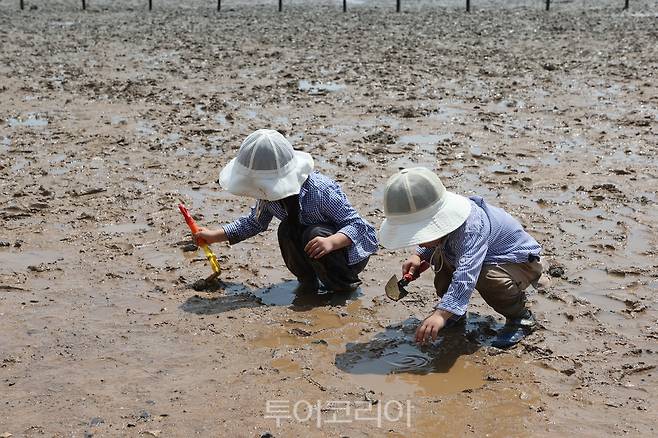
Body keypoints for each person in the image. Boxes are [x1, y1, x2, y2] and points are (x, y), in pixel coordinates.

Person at [378, 167, 546, 348]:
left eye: (419, 234)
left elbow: (466, 276)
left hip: (517, 262)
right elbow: (438, 240)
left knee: (485, 276)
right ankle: (455, 313)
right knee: (439, 255)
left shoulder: (471, 229)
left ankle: (520, 318)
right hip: (476, 257)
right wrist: (419, 255)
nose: (418, 240)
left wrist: (440, 314)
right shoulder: (446, 227)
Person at [194, 129, 377, 293]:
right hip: (312, 251)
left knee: (314, 233)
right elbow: (254, 222)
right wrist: (213, 236)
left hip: (346, 256)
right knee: (286, 229)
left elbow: (360, 226)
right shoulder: (268, 197)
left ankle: (342, 285)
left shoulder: (320, 191)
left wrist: (332, 242)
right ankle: (308, 281)